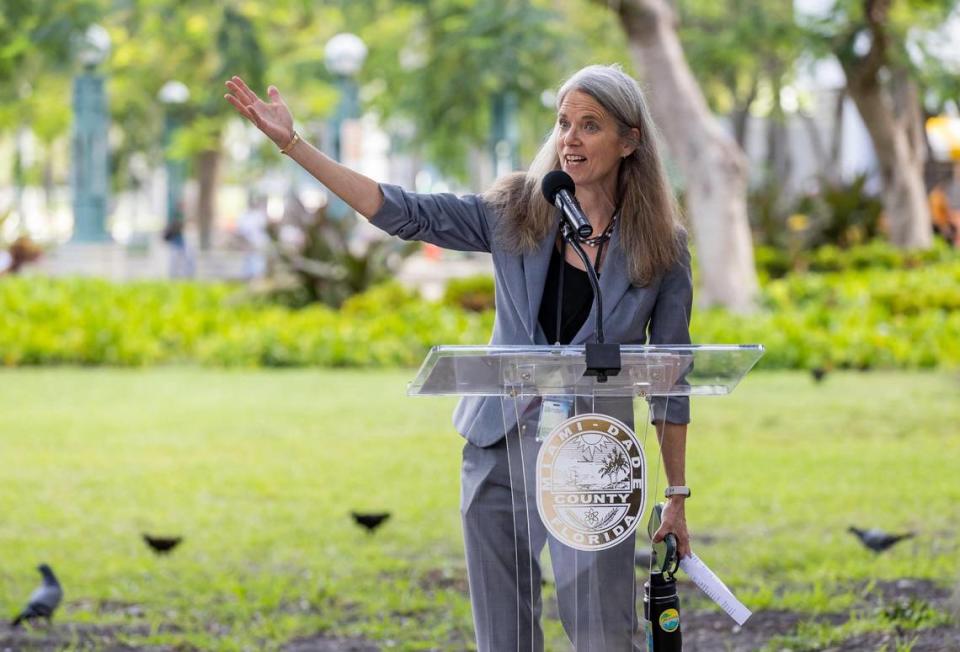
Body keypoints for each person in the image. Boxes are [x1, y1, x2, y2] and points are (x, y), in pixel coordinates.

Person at [226, 63, 692, 651]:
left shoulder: (662, 247)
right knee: (504, 638)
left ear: (630, 141)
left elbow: (674, 377)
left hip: (595, 459)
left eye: (590, 126)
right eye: (563, 122)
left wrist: (676, 495)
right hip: (500, 447)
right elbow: (401, 210)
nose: (570, 139)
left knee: (603, 634)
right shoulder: (517, 210)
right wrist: (295, 146)